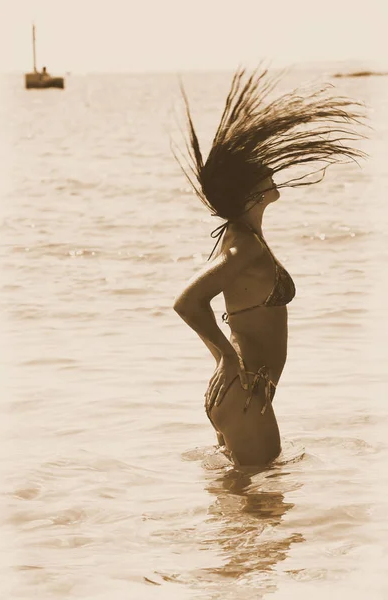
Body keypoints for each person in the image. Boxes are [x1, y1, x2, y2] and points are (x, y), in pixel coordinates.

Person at [173, 66, 366, 468]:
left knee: (244, 514)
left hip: (246, 394)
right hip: (245, 397)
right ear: (247, 190)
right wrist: (227, 360)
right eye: (262, 169)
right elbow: (188, 303)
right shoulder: (243, 246)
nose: (270, 170)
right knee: (266, 515)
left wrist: (229, 364)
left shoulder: (246, 239)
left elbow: (236, 322)